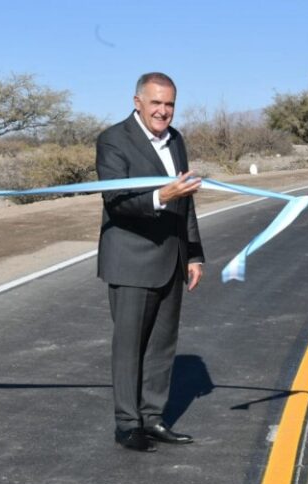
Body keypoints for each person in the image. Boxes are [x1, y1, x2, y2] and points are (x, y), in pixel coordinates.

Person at [96, 72, 205, 452]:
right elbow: (116, 200)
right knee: (129, 347)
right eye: (156, 102)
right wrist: (161, 196)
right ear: (137, 102)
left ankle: (153, 417)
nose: (163, 111)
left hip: (172, 258)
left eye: (169, 104)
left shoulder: (176, 140)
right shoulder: (113, 140)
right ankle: (128, 424)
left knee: (161, 346)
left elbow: (185, 201)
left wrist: (193, 253)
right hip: (132, 261)